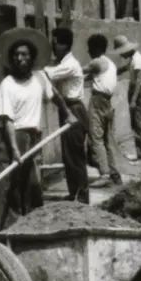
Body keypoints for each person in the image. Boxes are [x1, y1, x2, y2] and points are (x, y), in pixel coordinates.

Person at [0, 27, 53, 230]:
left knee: (32, 187)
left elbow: (54, 97)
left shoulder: (38, 80)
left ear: (32, 57)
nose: (20, 58)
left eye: (24, 54)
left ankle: (32, 228)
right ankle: (10, 232)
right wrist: (16, 151)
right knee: (11, 189)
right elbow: (8, 120)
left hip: (32, 138)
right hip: (11, 140)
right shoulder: (7, 84)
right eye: (16, 55)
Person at [43, 27, 90, 203]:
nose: (54, 47)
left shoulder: (70, 65)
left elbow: (47, 73)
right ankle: (74, 193)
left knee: (75, 156)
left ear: (64, 45)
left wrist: (39, 63)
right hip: (68, 109)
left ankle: (82, 196)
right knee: (68, 155)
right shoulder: (63, 63)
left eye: (55, 43)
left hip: (74, 110)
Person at [83, 33, 122, 187]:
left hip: (98, 101)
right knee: (107, 140)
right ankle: (114, 173)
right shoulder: (110, 64)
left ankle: (104, 174)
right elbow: (93, 76)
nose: (88, 51)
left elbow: (79, 71)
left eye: (90, 49)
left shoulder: (97, 62)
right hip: (108, 103)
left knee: (96, 138)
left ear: (96, 49)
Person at [112, 34, 141, 163]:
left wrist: (134, 100)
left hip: (138, 92)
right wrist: (114, 71)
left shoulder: (138, 61)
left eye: (121, 53)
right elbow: (125, 68)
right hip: (138, 92)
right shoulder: (134, 59)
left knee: (139, 124)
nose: (121, 56)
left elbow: (138, 81)